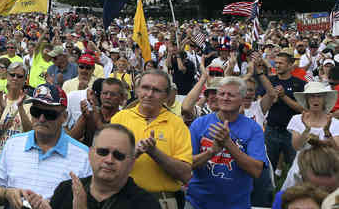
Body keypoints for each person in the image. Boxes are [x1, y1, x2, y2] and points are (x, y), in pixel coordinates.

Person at [0, 83, 91, 204]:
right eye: (36, 111)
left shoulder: (83, 155)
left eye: (50, 114)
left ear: (64, 117)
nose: (41, 119)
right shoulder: (13, 144)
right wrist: (7, 193)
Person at [111, 70, 192, 209]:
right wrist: (133, 154)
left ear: (166, 96)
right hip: (122, 199)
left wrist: (154, 152)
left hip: (163, 201)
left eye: (156, 90)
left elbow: (185, 174)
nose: (149, 94)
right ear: (137, 90)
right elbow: (105, 162)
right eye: (145, 87)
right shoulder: (120, 118)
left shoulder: (177, 124)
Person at [186, 77, 266, 209]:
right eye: (222, 94)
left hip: (236, 204)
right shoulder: (199, 124)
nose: (225, 98)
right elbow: (186, 164)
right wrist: (211, 152)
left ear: (242, 98)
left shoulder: (253, 129)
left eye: (231, 95)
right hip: (197, 202)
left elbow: (256, 171)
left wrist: (228, 144)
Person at [40, 124, 160, 209]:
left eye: (118, 155)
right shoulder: (66, 190)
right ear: (90, 153)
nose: (109, 160)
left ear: (132, 162)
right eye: (103, 152)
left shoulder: (145, 203)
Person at [282, 81, 339, 189]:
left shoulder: (334, 122)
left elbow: (336, 150)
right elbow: (297, 146)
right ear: (307, 100)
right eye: (312, 96)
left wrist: (327, 132)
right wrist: (306, 129)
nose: (315, 100)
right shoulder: (297, 119)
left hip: (326, 170)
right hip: (300, 169)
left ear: (324, 100)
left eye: (319, 96)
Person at [264, 49, 306, 177]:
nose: (277, 65)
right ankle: (268, 191)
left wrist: (283, 97)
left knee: (298, 168)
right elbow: (261, 104)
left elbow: (302, 109)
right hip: (272, 129)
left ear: (290, 65)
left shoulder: (300, 84)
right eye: (276, 63)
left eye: (281, 63)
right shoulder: (269, 81)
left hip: (293, 132)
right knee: (267, 167)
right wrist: (271, 98)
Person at [0, 61, 33, 171]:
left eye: (19, 76)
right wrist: (1, 109)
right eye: (12, 75)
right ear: (7, 76)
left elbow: (30, 132)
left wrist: (20, 108)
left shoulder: (30, 102)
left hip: (20, 160)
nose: (15, 78)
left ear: (25, 80)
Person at [271, 139, 339, 209]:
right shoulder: (284, 198)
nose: (325, 198)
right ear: (302, 179)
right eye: (316, 190)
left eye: (331, 191)